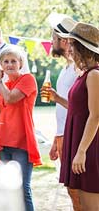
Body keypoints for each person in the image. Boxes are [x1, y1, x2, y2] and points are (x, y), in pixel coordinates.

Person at [0, 46, 41, 211]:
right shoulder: (5, 84)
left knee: (22, 189)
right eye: (5, 62)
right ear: (1, 65)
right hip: (4, 141)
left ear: (20, 63)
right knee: (9, 190)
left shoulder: (27, 79)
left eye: (13, 61)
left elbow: (11, 98)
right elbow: (1, 115)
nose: (9, 65)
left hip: (21, 142)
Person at [59, 22, 99, 210]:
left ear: (83, 48)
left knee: (91, 206)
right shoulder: (84, 74)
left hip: (89, 147)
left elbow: (96, 116)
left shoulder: (94, 75)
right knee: (81, 203)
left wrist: (82, 151)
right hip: (79, 142)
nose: (69, 50)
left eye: (73, 45)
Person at [44, 14, 82, 210]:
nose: (51, 43)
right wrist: (55, 139)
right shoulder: (68, 67)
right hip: (63, 135)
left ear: (65, 41)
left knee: (78, 190)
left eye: (54, 39)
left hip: (76, 135)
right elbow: (62, 111)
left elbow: (83, 106)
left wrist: (57, 98)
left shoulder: (79, 68)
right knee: (71, 190)